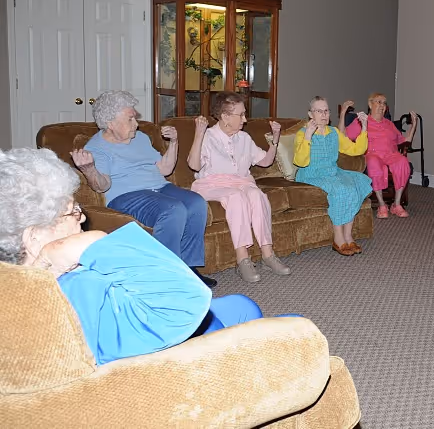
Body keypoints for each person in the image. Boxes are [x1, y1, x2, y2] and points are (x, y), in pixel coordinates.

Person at [0, 147, 265, 365]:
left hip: (148, 321)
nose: (82, 220)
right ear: (33, 237)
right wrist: (93, 240)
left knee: (243, 305)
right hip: (172, 359)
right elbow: (188, 299)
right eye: (71, 212)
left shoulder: (33, 279)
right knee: (298, 331)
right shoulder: (72, 291)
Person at [70, 90, 215, 288]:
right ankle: (166, 275)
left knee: (196, 202)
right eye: (130, 119)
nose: (136, 124)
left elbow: (164, 169)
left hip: (160, 187)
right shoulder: (96, 147)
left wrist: (174, 143)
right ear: (110, 123)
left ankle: (188, 268)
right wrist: (89, 169)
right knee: (172, 209)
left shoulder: (140, 138)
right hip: (128, 196)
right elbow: (102, 186)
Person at [188, 92, 291, 283]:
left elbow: (266, 161)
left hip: (241, 181)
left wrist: (275, 138)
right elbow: (194, 165)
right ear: (225, 117)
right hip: (212, 183)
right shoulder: (208, 136)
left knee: (257, 195)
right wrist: (199, 134)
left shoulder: (244, 138)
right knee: (236, 197)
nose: (245, 119)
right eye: (241, 115)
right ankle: (242, 259)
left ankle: (268, 255)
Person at [294, 96, 372, 255]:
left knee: (357, 182)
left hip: (332, 171)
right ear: (310, 114)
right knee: (341, 189)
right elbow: (300, 161)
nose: (323, 114)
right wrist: (308, 136)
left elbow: (356, 149)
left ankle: (348, 236)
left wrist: (364, 127)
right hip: (311, 173)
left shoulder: (334, 133)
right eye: (318, 111)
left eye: (326, 111)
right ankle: (338, 238)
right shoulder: (302, 133)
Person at [339, 94, 418, 219]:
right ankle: (382, 205)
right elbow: (342, 135)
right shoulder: (361, 121)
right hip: (372, 154)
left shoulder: (389, 124)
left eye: (384, 103)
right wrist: (343, 112)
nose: (382, 105)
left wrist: (414, 125)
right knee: (373, 163)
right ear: (370, 104)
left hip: (390, 154)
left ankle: (396, 205)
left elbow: (405, 140)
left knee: (402, 161)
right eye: (379, 102)